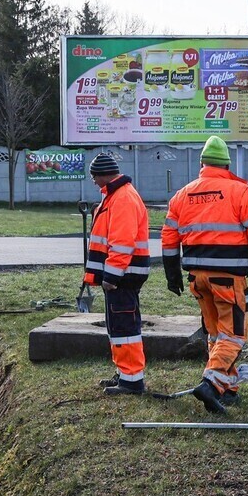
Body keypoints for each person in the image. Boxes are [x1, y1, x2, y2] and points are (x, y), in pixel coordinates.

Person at [160, 136, 248, 414]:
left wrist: (172, 274)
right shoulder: (240, 192)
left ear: (202, 164)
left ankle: (227, 388)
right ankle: (210, 384)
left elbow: (168, 239)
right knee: (233, 335)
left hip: (197, 279)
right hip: (228, 278)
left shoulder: (182, 195)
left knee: (216, 334)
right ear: (226, 165)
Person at [82, 150, 151, 396]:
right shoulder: (116, 196)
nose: (93, 181)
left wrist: (111, 276)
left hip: (122, 276)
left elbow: (122, 243)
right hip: (123, 274)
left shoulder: (122, 198)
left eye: (94, 176)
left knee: (124, 328)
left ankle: (132, 381)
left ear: (103, 174)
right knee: (119, 326)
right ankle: (125, 374)